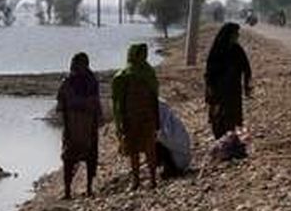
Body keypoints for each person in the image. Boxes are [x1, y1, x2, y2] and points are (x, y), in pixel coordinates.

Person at [111, 43, 159, 190]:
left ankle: (146, 180)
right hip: (138, 118)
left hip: (140, 118)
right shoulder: (145, 73)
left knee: (143, 150)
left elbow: (153, 97)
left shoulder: (126, 75)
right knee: (138, 150)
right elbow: (119, 100)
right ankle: (142, 180)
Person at [56, 52, 102, 199]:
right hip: (89, 127)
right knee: (89, 157)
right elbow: (96, 105)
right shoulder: (92, 81)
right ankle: (88, 189)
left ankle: (68, 192)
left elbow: (61, 105)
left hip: (72, 127)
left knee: (69, 158)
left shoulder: (67, 82)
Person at [204, 22, 252, 139]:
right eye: (235, 34)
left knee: (231, 117)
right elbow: (209, 72)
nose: (237, 36)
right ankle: (220, 140)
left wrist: (247, 86)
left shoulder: (237, 50)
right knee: (218, 117)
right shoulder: (217, 50)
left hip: (233, 89)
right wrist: (210, 88)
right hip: (218, 89)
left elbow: (246, 68)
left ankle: (229, 141)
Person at [156, 101, 192, 178]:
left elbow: (168, 139)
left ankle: (170, 167)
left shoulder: (168, 122)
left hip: (178, 157)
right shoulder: (169, 117)